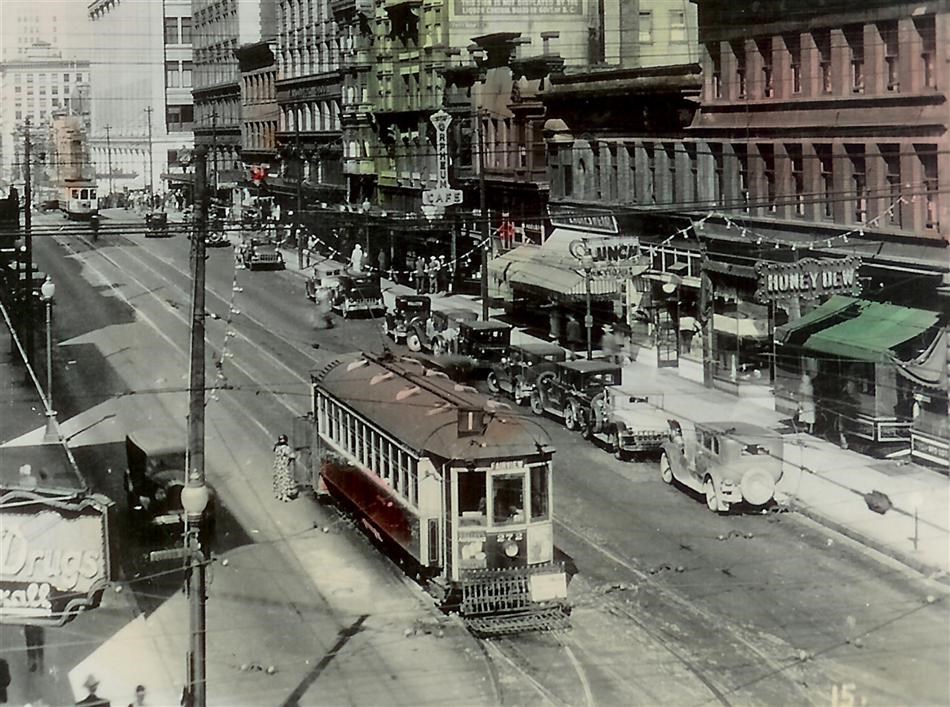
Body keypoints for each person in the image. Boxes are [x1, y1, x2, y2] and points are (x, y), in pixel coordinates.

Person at [272, 434, 297, 502]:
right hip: (283, 466)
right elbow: (291, 455)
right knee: (285, 481)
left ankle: (279, 494)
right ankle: (284, 496)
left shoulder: (277, 447)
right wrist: (295, 455)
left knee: (278, 480)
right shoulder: (286, 448)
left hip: (277, 466)